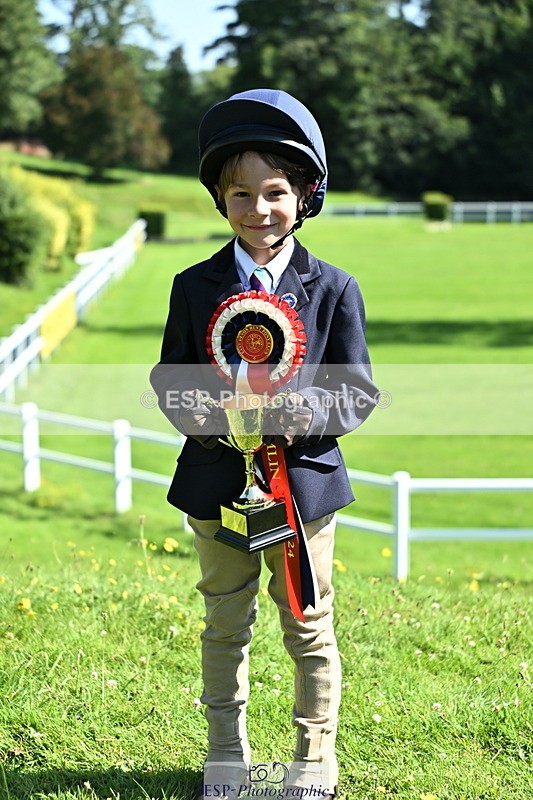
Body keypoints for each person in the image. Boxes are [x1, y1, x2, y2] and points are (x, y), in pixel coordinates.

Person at [150, 88, 378, 800]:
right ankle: (227, 758)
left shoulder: (335, 288)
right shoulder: (193, 287)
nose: (257, 209)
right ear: (220, 200)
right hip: (216, 488)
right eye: (240, 193)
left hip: (302, 492)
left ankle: (312, 765)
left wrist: (288, 414)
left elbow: (356, 391)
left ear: (305, 195)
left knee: (307, 627)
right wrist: (219, 415)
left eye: (274, 192)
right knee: (224, 624)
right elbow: (169, 379)